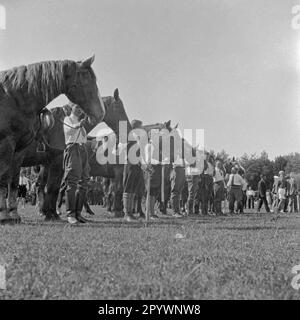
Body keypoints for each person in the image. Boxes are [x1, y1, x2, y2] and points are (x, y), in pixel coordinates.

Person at [61, 103, 91, 224]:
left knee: (84, 180)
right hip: (72, 148)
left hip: (82, 149)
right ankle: (70, 214)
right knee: (72, 180)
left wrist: (81, 125)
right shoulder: (68, 119)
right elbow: (68, 130)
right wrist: (79, 125)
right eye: (77, 107)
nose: (79, 110)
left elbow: (84, 137)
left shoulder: (81, 122)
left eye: (81, 107)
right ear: (71, 108)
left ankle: (78, 213)